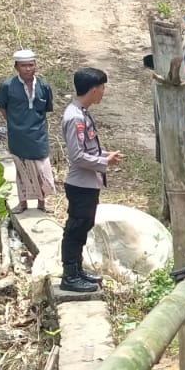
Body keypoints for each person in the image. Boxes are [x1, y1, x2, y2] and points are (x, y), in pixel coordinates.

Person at [60, 68, 122, 294]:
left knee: (84, 226)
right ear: (94, 89)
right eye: (103, 88)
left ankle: (77, 270)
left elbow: (88, 148)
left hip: (88, 183)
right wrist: (104, 162)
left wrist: (105, 155)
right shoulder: (75, 117)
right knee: (76, 228)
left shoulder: (82, 113)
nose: (103, 93)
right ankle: (69, 275)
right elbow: (77, 156)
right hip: (80, 184)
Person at [0, 49, 56, 212]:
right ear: (16, 67)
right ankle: (23, 203)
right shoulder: (7, 86)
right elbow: (2, 106)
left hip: (38, 135)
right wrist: (13, 123)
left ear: (35, 65)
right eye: (24, 66)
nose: (28, 69)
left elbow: (46, 108)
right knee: (22, 170)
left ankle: (43, 203)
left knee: (42, 170)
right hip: (18, 136)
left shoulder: (44, 86)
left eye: (31, 65)